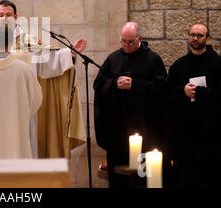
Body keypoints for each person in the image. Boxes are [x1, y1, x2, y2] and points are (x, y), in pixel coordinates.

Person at [93, 22, 167, 188]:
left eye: (130, 42)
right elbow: (99, 84)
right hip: (118, 131)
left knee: (143, 176)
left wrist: (135, 85)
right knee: (120, 177)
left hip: (145, 129)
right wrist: (114, 84)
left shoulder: (153, 59)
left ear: (139, 38)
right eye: (123, 41)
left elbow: (162, 90)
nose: (125, 45)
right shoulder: (113, 59)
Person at [0, 24, 42, 158]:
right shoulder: (24, 69)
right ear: (11, 43)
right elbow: (35, 100)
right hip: (17, 132)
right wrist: (20, 115)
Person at [165, 24, 221, 187]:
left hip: (211, 132)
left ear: (207, 38)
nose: (195, 38)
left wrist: (201, 92)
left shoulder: (218, 64)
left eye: (199, 35)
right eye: (192, 35)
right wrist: (182, 91)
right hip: (186, 133)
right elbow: (167, 92)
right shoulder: (179, 65)